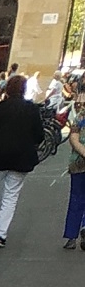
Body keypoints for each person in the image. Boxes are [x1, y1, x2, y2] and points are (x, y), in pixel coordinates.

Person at [0, 73, 47, 244]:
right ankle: (0, 234)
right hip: (21, 157)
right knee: (10, 196)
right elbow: (39, 135)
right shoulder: (31, 109)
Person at [62, 99, 85, 249]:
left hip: (78, 164)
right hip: (80, 163)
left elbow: (73, 139)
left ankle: (71, 236)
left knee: (76, 199)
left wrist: (83, 152)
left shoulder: (80, 117)